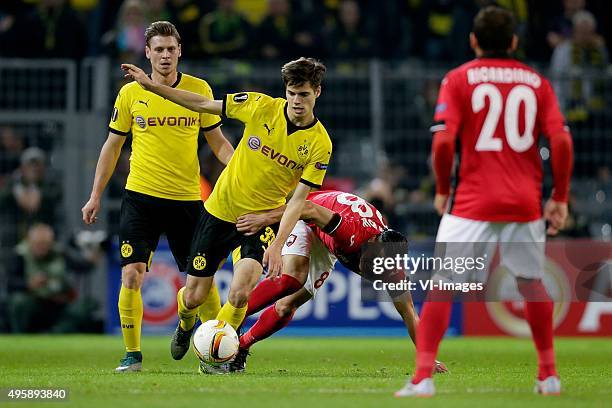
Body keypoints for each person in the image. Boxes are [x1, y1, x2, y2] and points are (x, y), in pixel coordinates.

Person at [395, 6, 573, 397]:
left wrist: (443, 188)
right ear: (514, 42)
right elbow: (561, 140)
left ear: (473, 40)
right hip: (524, 202)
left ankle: (423, 378)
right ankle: (548, 375)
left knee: (442, 285)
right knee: (531, 283)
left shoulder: (458, 79)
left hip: (471, 202)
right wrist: (559, 196)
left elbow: (443, 141)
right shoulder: (537, 83)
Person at [122, 57, 333, 364]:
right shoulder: (260, 107)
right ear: (285, 91)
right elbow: (203, 104)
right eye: (292, 92)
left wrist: (276, 244)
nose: (297, 101)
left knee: (240, 292)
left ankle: (214, 355)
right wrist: (154, 87)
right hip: (220, 210)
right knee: (193, 296)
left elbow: (299, 201)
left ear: (317, 92)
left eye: (304, 94)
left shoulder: (319, 144)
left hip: (260, 220)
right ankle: (186, 323)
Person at [81, 21, 234, 373]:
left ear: (180, 51)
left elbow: (219, 144)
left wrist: (245, 170)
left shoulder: (198, 89)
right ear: (147, 53)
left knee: (202, 281)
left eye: (171, 49)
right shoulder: (131, 94)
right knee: (132, 274)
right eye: (158, 49)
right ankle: (132, 355)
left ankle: (209, 351)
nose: (165, 55)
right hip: (141, 197)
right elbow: (113, 145)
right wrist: (95, 196)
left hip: (187, 200)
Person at [225, 190, 448, 375]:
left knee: (286, 307)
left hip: (326, 243)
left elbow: (409, 312)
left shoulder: (391, 269)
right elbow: (307, 209)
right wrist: (266, 218)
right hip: (306, 216)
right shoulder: (351, 230)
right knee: (292, 278)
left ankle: (242, 346)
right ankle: (225, 321)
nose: (370, 269)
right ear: (370, 242)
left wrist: (427, 358)